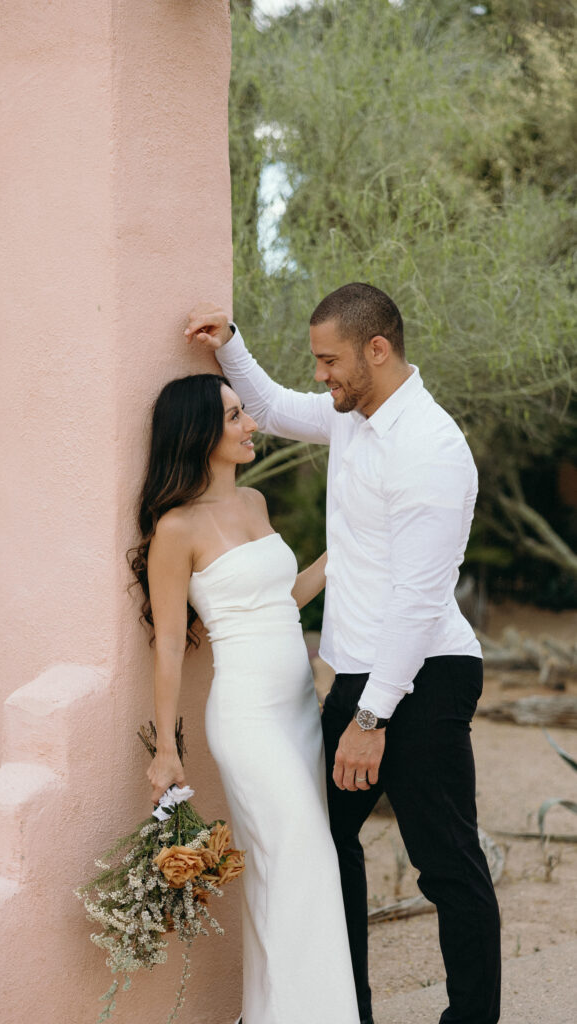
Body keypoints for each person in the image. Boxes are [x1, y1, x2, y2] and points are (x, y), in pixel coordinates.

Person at [185, 284, 502, 1024]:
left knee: (446, 863)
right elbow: (268, 407)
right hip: (364, 675)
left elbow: (418, 604)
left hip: (422, 675)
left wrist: (370, 717)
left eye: (329, 360)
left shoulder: (430, 448)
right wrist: (227, 341)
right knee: (325, 843)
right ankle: (344, 1009)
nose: (321, 374)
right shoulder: (355, 418)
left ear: (377, 350)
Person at [130, 372, 360, 1024]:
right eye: (234, 416)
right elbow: (170, 644)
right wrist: (167, 751)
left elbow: (278, 604)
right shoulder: (173, 530)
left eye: (243, 413)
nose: (249, 424)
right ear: (200, 432)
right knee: (301, 862)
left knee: (286, 874)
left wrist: (347, 550)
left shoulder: (255, 503)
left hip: (296, 711)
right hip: (247, 719)